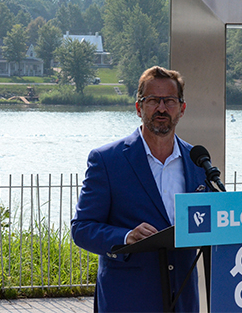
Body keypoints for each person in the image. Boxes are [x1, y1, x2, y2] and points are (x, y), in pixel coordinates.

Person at [71, 66, 208, 312]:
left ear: (182, 109)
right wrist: (126, 237)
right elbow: (82, 229)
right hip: (127, 300)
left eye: (169, 101)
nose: (162, 108)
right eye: (153, 100)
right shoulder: (107, 160)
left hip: (184, 300)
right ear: (138, 108)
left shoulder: (197, 161)